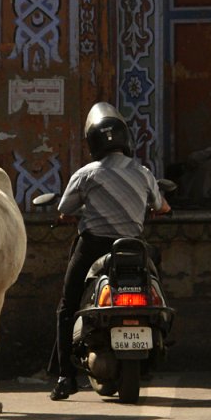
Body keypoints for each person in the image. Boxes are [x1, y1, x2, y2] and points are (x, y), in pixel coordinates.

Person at [50, 102, 170, 401]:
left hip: (93, 246)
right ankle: (160, 333)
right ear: (126, 139)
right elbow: (162, 206)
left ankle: (65, 376)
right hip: (133, 247)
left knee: (67, 306)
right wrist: (156, 207)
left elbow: (64, 209)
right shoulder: (143, 173)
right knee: (156, 284)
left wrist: (76, 213)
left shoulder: (86, 173)